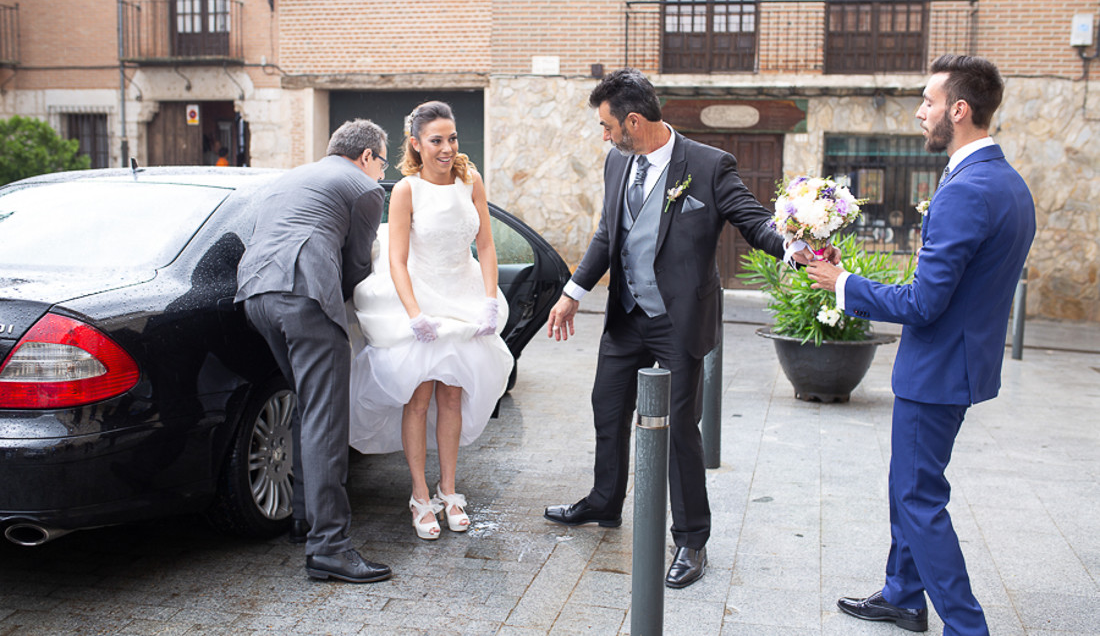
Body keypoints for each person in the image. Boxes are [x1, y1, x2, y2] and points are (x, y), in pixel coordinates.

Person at [543, 68, 809, 589]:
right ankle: (604, 502)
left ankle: (691, 538)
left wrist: (797, 248)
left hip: (679, 321)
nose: (603, 135)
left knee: (679, 430)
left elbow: (751, 220)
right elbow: (608, 232)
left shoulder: (709, 166)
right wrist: (573, 293)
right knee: (607, 406)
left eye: (606, 125)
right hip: (628, 315)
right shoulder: (618, 163)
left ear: (633, 121)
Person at [807, 54, 1035, 635]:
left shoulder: (966, 190)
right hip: (961, 364)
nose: (920, 113)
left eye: (929, 103)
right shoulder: (1009, 184)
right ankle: (904, 595)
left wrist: (846, 285)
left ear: (959, 110)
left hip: (936, 371)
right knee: (907, 485)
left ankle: (965, 627)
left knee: (917, 499)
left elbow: (923, 304)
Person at [235, 119, 392, 584]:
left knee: (308, 406)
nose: (381, 171)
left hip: (255, 295)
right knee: (326, 418)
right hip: (304, 294)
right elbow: (358, 263)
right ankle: (330, 548)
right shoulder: (363, 188)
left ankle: (303, 518)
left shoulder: (290, 178)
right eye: (381, 161)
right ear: (367, 156)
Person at [349, 100, 511, 541]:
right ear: (416, 144)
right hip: (420, 300)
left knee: (453, 397)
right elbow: (397, 260)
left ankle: (450, 490)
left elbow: (488, 246)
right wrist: (414, 314)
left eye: (452, 138)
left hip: (462, 296)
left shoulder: (470, 180)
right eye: (436, 140)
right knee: (418, 398)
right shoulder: (405, 190)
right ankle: (420, 495)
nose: (446, 148)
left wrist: (490, 300)